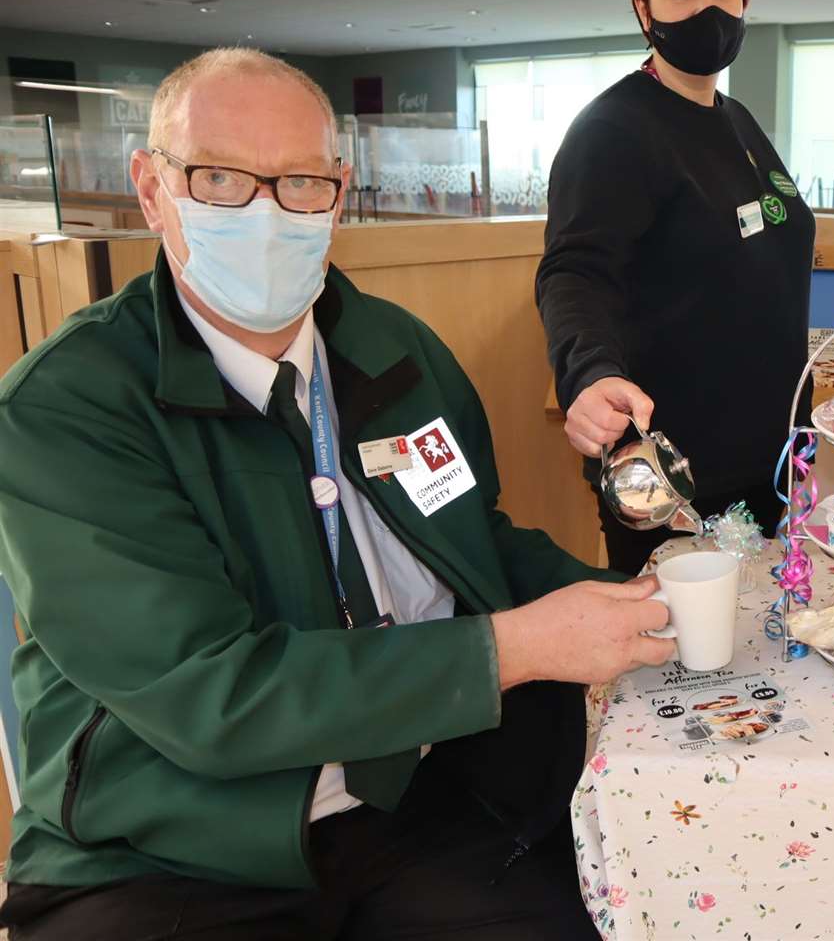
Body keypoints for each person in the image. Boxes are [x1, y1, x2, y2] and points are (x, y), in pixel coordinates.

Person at [0, 48, 675, 939]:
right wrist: (511, 649)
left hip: (418, 803)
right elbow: (214, 696)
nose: (267, 213)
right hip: (169, 844)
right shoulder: (69, 410)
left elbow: (471, 540)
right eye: (220, 179)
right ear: (153, 187)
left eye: (301, 184)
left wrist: (641, 597)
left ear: (340, 192)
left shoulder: (394, 349)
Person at [538, 0, 814, 574]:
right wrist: (588, 372)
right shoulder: (614, 131)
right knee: (691, 669)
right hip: (679, 475)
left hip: (769, 463)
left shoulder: (736, 119)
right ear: (643, 7)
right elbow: (574, 272)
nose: (707, 8)